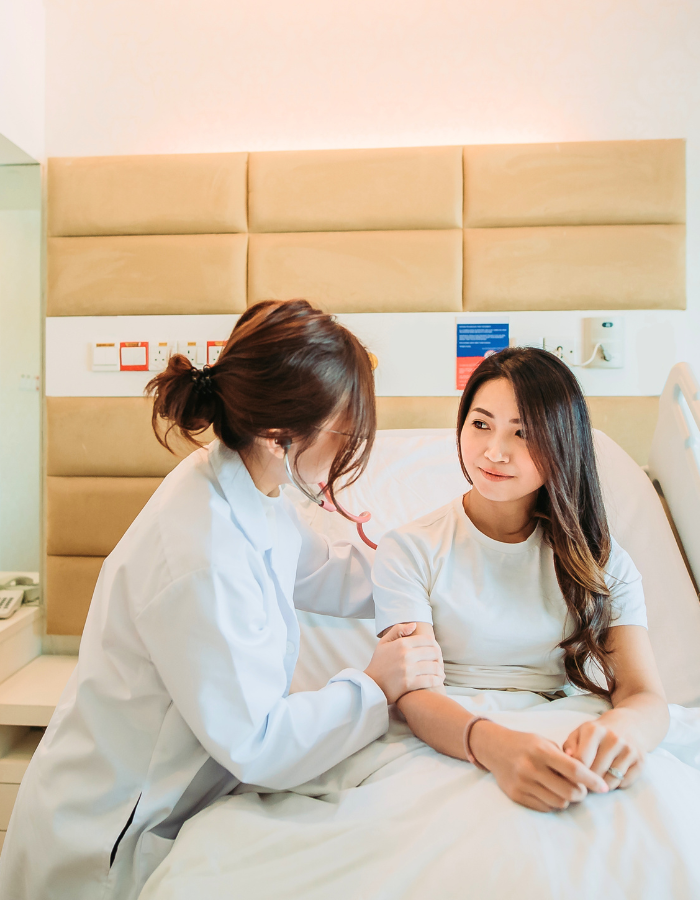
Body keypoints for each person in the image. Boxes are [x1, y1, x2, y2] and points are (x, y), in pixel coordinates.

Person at [0, 299, 443, 900]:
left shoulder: (248, 486)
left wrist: (429, 568)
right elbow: (258, 745)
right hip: (110, 841)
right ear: (277, 433)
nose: (349, 452)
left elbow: (326, 572)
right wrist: (375, 683)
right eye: (345, 433)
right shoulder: (201, 555)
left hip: (179, 797)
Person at [373, 346, 670, 813]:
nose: (495, 451)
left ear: (561, 442)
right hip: (448, 735)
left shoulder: (600, 562)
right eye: (481, 423)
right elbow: (415, 696)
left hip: (566, 728)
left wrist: (623, 732)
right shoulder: (410, 549)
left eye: (524, 433)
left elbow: (643, 694)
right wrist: (497, 748)